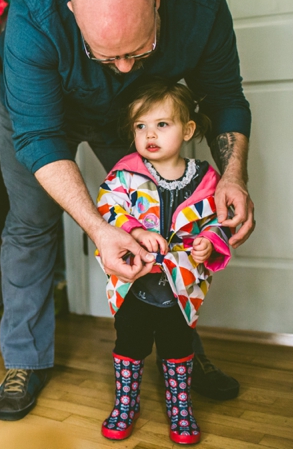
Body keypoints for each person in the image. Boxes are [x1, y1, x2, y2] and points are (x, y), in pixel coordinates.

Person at [0, 0, 255, 422]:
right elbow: (38, 134)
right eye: (107, 54)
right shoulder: (35, 7)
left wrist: (234, 175)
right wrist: (99, 228)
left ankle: (181, 349)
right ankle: (23, 361)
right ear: (72, 12)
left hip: (137, 114)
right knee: (33, 222)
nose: (127, 66)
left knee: (165, 223)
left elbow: (223, 95)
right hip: (41, 116)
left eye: (139, 49)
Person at [96, 80, 231, 444]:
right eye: (141, 126)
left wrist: (208, 242)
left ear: (187, 130)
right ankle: (126, 402)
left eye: (162, 124)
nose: (149, 134)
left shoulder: (206, 179)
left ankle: (180, 407)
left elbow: (218, 221)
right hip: (133, 284)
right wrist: (136, 231)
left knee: (177, 346)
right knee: (129, 342)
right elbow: (108, 209)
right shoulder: (124, 175)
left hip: (181, 288)